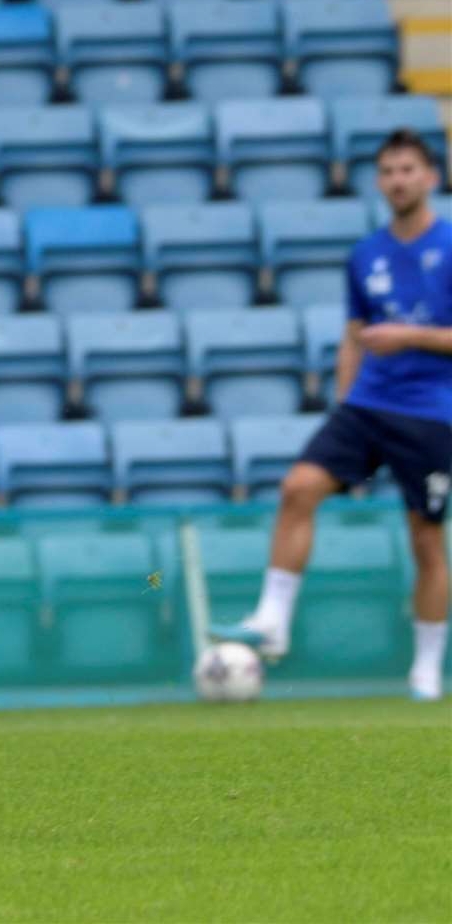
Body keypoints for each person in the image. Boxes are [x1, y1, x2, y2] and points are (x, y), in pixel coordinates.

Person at [212, 129, 451, 701]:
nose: (398, 179)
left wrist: (411, 336)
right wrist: (345, 402)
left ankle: (425, 671)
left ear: (430, 178)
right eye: (389, 170)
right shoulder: (365, 255)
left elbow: (397, 334)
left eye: (408, 169)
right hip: (367, 406)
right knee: (299, 486)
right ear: (378, 181)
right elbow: (353, 339)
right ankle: (271, 619)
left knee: (425, 542)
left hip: (431, 415)